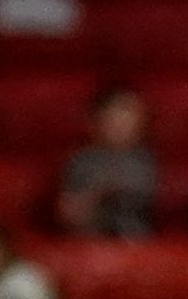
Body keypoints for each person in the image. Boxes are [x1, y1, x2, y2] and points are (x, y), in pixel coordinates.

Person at [54, 88, 159, 242]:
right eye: (117, 115)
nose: (123, 124)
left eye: (131, 115)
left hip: (135, 244)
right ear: (98, 119)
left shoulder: (144, 161)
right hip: (88, 244)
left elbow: (140, 197)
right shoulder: (81, 162)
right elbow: (67, 213)